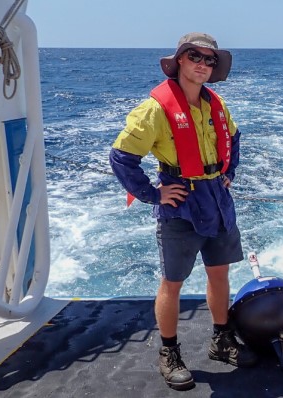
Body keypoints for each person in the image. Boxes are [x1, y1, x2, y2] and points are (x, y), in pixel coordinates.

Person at [109, 32, 258, 391]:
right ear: (179, 60)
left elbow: (233, 140)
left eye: (210, 60)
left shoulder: (217, 105)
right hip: (181, 204)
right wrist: (152, 194)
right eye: (196, 56)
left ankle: (221, 341)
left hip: (218, 200)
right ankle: (170, 353)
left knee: (219, 274)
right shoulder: (155, 110)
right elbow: (121, 157)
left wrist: (229, 174)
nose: (203, 64)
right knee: (173, 282)